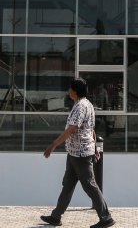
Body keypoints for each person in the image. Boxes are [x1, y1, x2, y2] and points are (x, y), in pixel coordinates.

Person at [40, 78, 114, 228]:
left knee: (89, 185)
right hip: (75, 153)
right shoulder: (86, 104)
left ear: (74, 91)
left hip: (81, 154)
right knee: (67, 184)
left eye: (70, 89)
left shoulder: (81, 106)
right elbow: (91, 129)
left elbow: (72, 128)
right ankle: (56, 216)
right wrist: (95, 149)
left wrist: (53, 145)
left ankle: (106, 217)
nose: (68, 91)